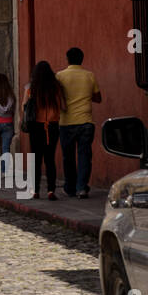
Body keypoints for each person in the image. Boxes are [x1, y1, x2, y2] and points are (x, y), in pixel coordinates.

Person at [57, 47, 102, 198]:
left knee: (68, 157)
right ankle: (82, 187)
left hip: (66, 122)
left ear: (67, 59)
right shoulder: (89, 75)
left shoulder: (60, 76)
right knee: (84, 156)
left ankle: (70, 187)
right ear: (82, 59)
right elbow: (98, 98)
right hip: (85, 121)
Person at [23, 60, 65, 200]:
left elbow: (24, 106)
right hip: (52, 126)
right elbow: (63, 106)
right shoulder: (56, 87)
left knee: (36, 159)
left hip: (35, 126)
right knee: (50, 159)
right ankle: (51, 190)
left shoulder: (31, 88)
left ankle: (35, 190)